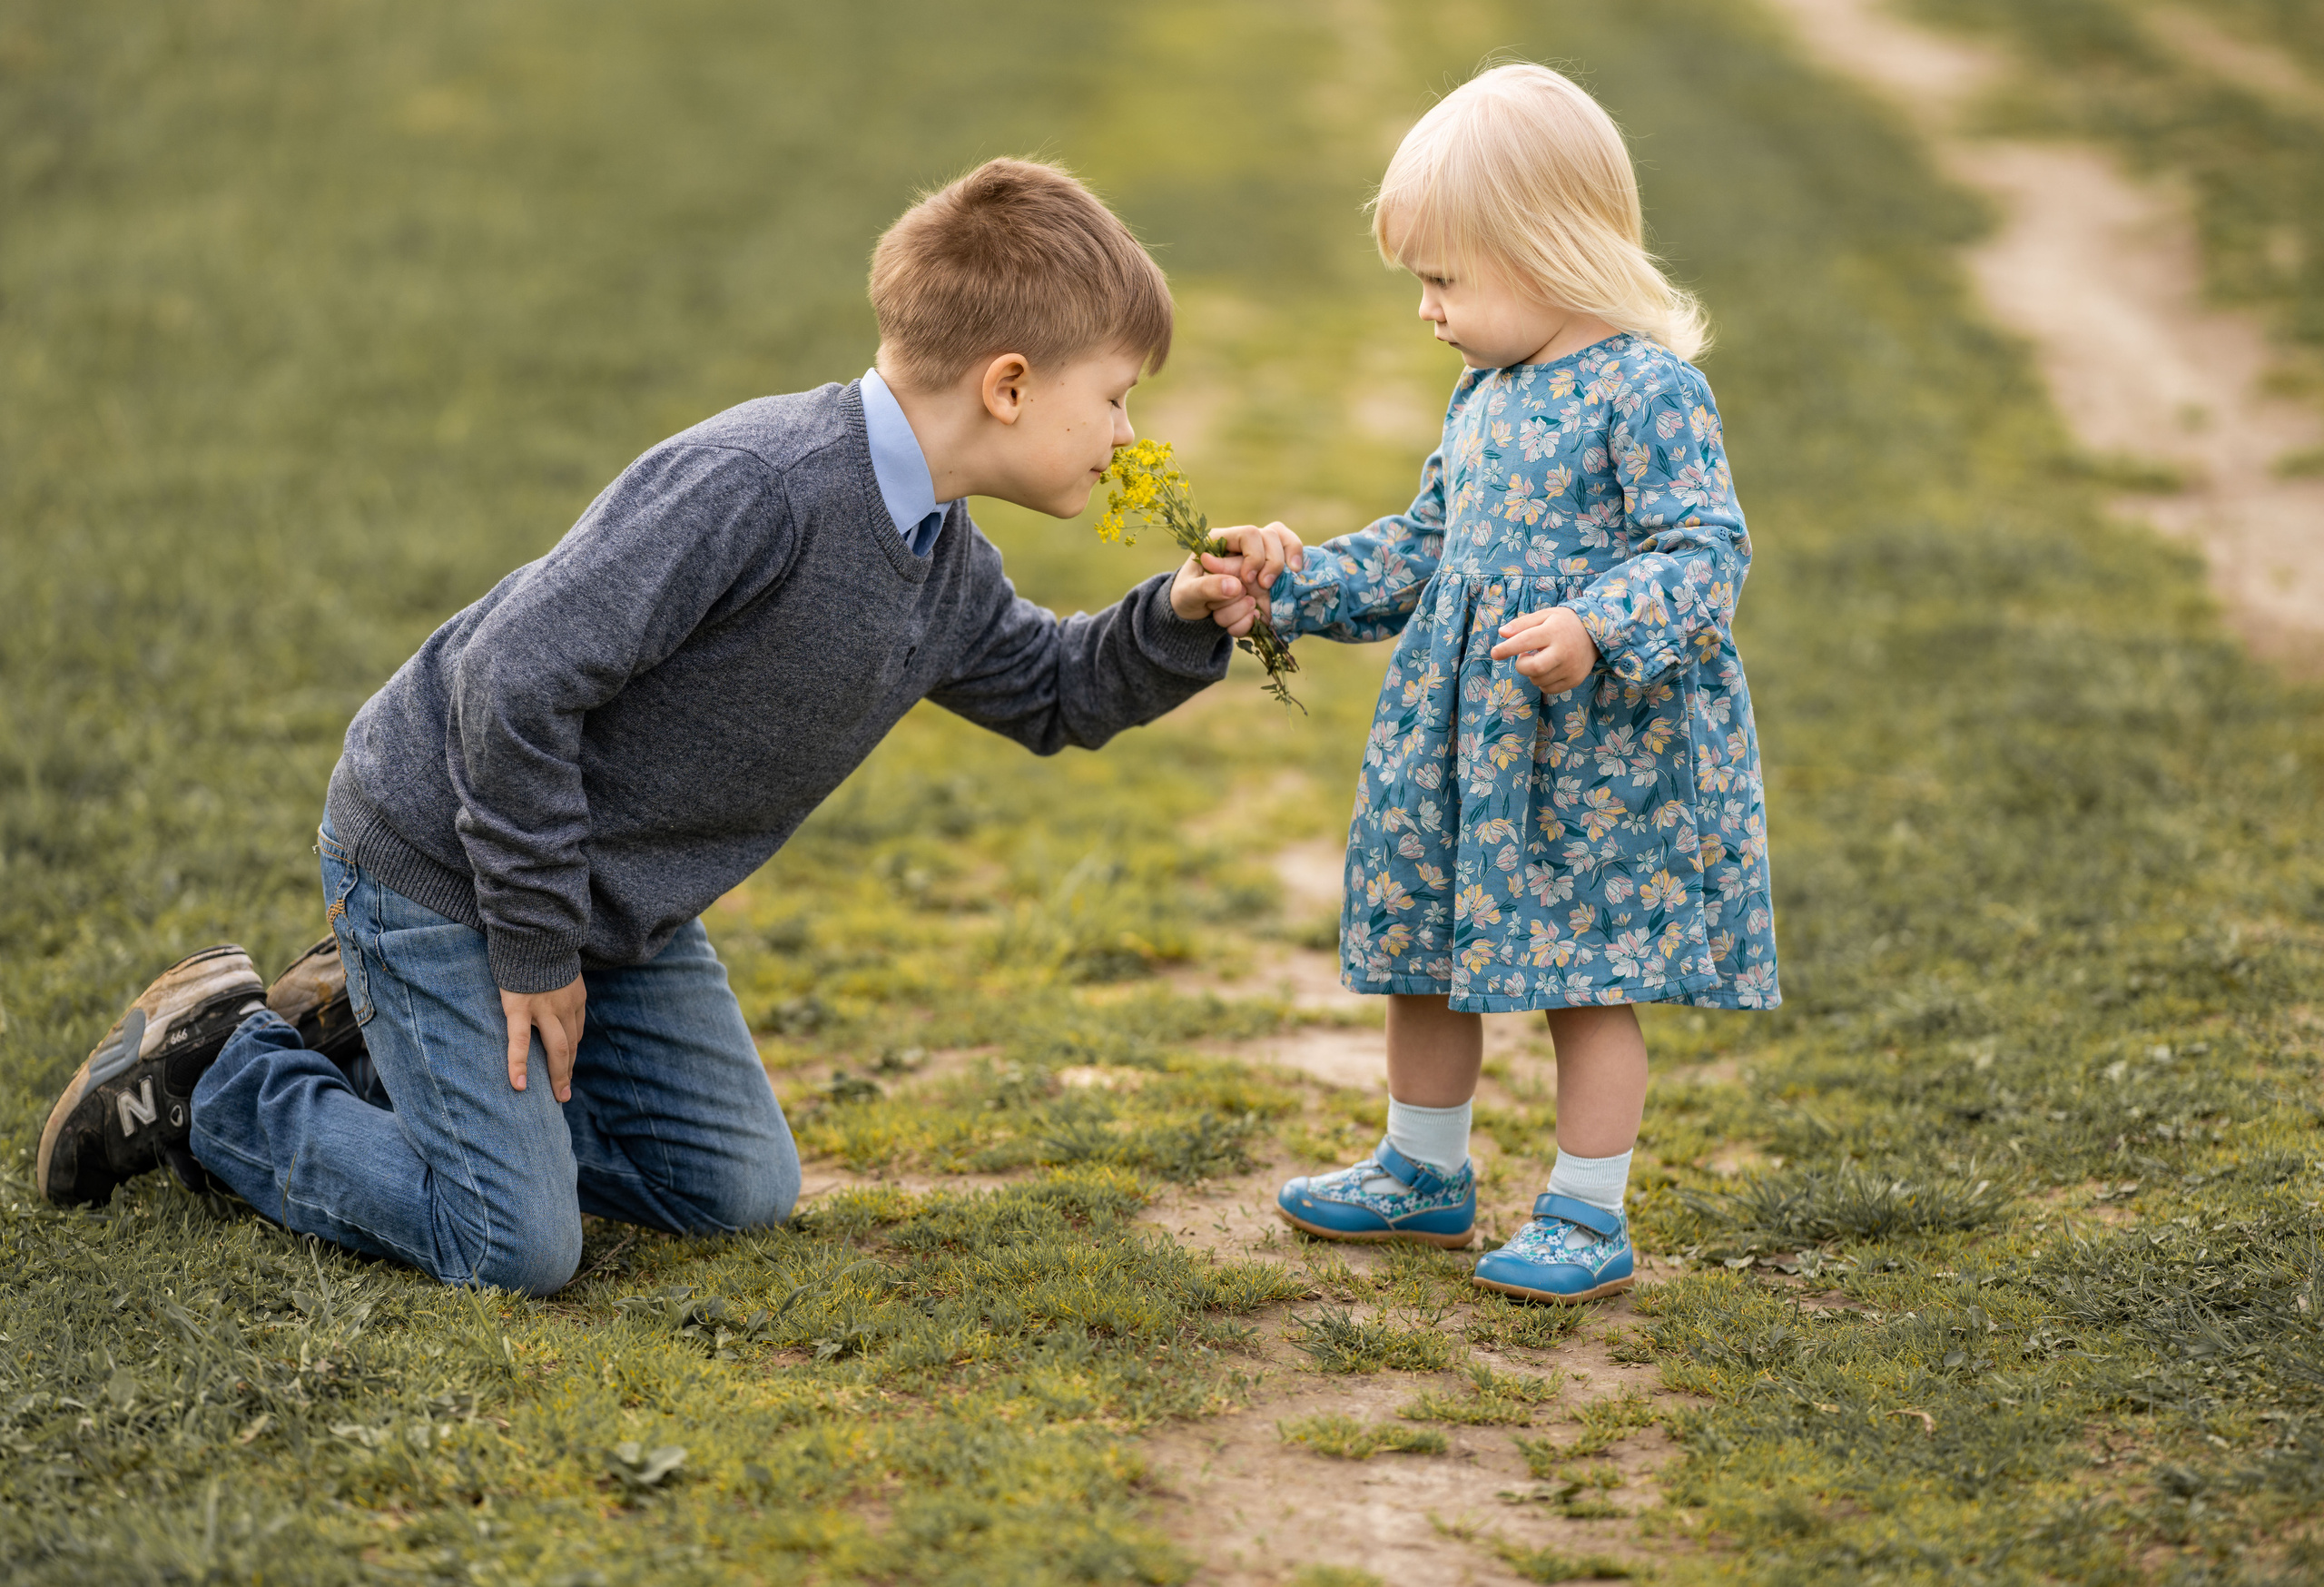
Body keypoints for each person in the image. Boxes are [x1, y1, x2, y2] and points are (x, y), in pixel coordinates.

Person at [36, 158, 1301, 1296]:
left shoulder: (941, 556)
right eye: (1120, 398)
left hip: (607, 906)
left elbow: (1053, 692)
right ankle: (227, 1081)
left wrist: (1186, 613)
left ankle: (395, 1059)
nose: (1132, 435)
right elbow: (511, 684)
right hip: (447, 856)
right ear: (1011, 386)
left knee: (733, 1193)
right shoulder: (758, 484)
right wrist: (532, 952)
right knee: (514, 1246)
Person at [1265, 64, 1780, 1302]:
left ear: (1549, 255)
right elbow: (1423, 549)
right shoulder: (1483, 393)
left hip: (1589, 756)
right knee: (1428, 955)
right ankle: (1421, 1168)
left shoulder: (1649, 392)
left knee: (1584, 976)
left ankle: (1587, 1212)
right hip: (1462, 743)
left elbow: (1707, 553)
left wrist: (1599, 626)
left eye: (1445, 279)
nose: (1428, 310)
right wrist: (1293, 583)